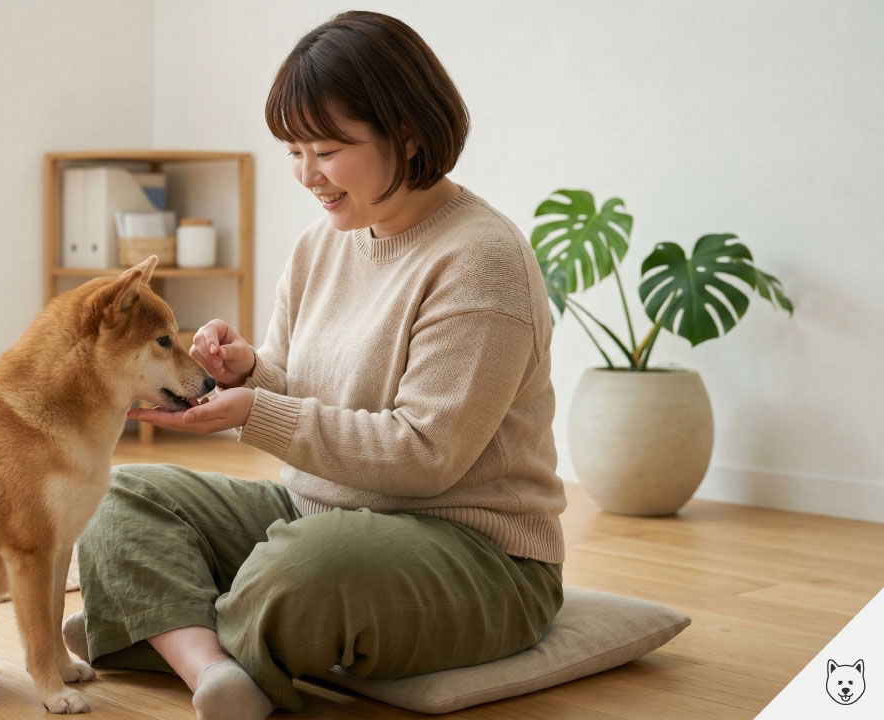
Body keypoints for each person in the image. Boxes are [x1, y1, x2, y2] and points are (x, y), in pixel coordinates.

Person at [63, 10, 567, 719]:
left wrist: (256, 410)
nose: (306, 176)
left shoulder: (480, 260)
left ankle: (160, 622)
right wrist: (246, 375)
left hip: (478, 555)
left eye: (326, 150)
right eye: (293, 151)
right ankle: (209, 665)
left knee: (304, 569)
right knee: (116, 498)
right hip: (312, 510)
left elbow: (426, 456)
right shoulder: (320, 244)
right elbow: (303, 392)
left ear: (409, 135)